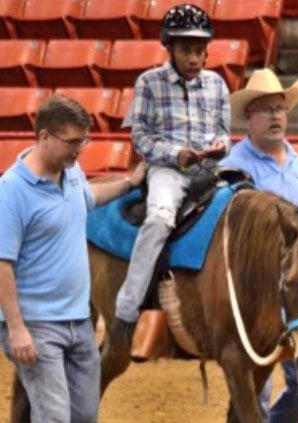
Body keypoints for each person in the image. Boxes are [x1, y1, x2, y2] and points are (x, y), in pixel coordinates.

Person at [0, 94, 146, 423]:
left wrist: (128, 185)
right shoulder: (11, 191)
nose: (80, 149)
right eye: (73, 142)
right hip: (37, 326)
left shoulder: (71, 170)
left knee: (84, 417)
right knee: (54, 419)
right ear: (44, 137)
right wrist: (17, 329)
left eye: (85, 141)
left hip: (78, 323)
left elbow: (87, 198)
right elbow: (2, 264)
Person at [111, 3, 231, 348]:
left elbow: (224, 130)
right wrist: (174, 154)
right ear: (170, 48)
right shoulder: (148, 83)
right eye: (185, 50)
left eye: (198, 50)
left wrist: (220, 145)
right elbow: (140, 137)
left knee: (246, 212)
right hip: (169, 171)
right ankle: (126, 310)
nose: (193, 58)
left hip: (211, 169)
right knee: (160, 220)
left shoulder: (217, 84)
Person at [220, 68, 298, 422]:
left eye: (280, 107)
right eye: (265, 108)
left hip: (297, 293)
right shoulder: (233, 168)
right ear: (249, 116)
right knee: (253, 389)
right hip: (255, 293)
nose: (276, 115)